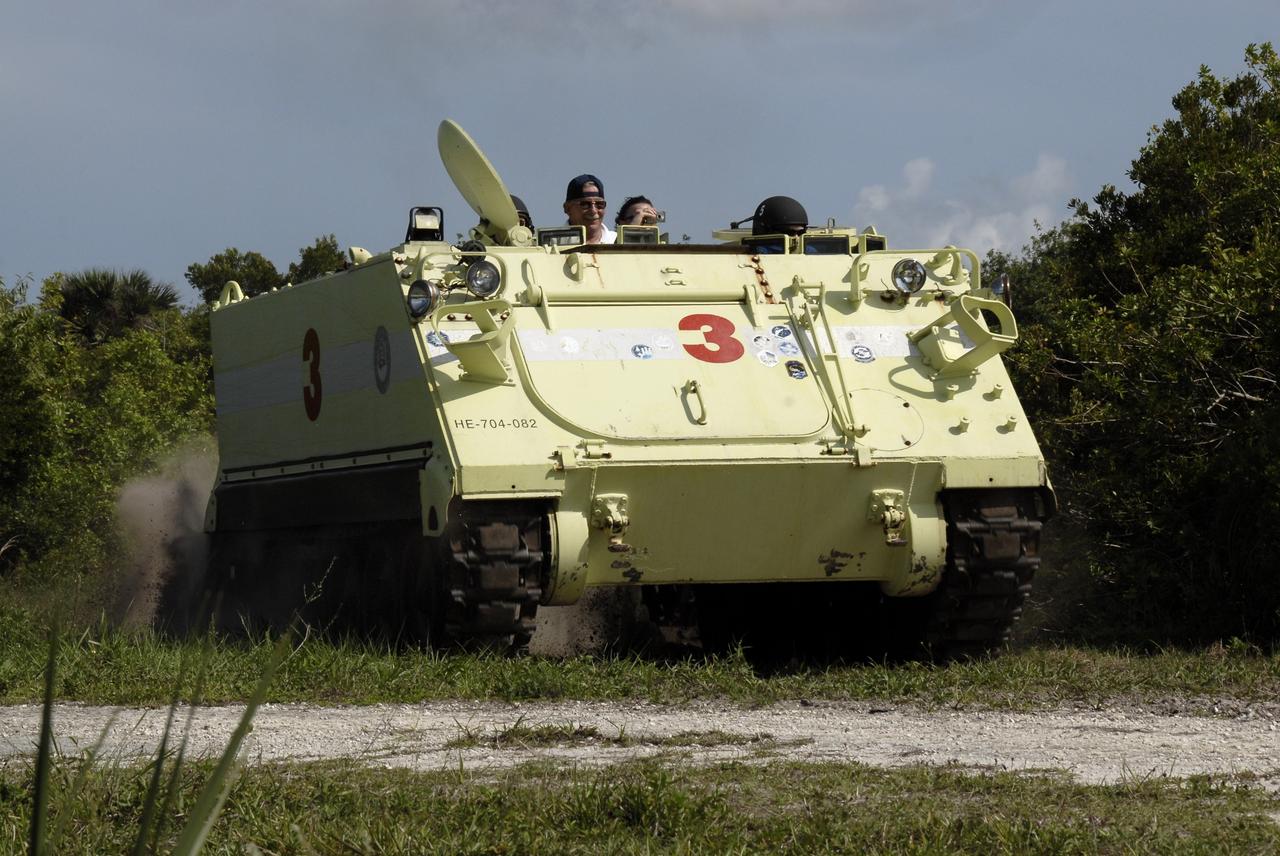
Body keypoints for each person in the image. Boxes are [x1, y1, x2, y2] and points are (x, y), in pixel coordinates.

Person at [563, 174, 615, 244]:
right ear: (568, 208)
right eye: (585, 204)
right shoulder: (550, 243)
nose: (593, 211)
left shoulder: (618, 242)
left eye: (599, 204)